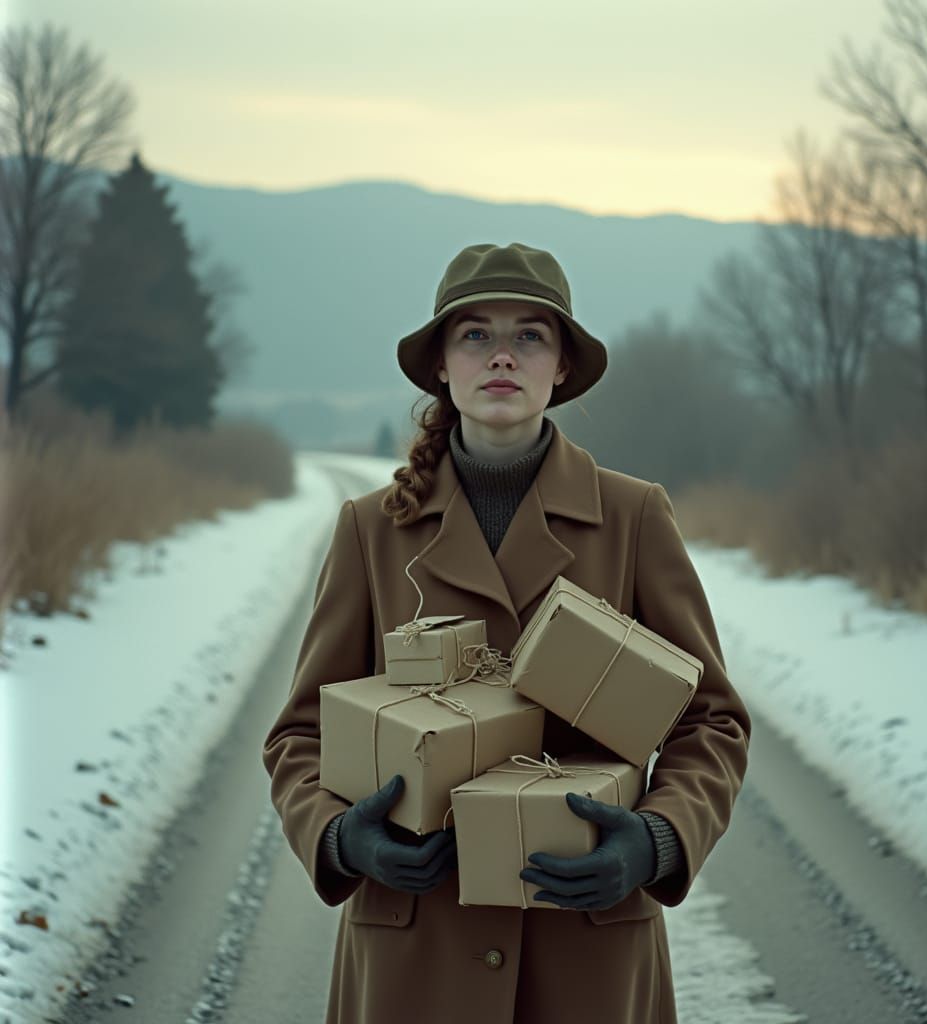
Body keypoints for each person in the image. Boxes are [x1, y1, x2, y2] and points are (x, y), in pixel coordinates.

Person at [262, 241, 751, 1024]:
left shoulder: (633, 517)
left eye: (530, 335)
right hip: (415, 958)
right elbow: (301, 735)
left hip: (586, 952)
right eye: (475, 335)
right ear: (441, 367)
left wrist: (654, 839)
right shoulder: (370, 531)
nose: (502, 356)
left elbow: (712, 721)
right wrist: (344, 839)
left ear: (561, 366)